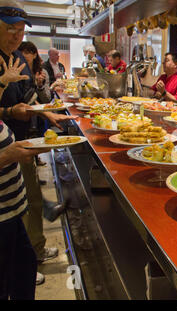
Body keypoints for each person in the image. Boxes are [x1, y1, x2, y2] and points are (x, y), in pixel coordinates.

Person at [0, 0, 77, 286]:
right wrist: (9, 111)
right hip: (8, 150)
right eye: (10, 29)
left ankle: (31, 252)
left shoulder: (14, 56)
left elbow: (26, 99)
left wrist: (45, 112)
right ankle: (28, 257)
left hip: (17, 142)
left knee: (26, 199)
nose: (17, 36)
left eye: (20, 30)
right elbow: (14, 106)